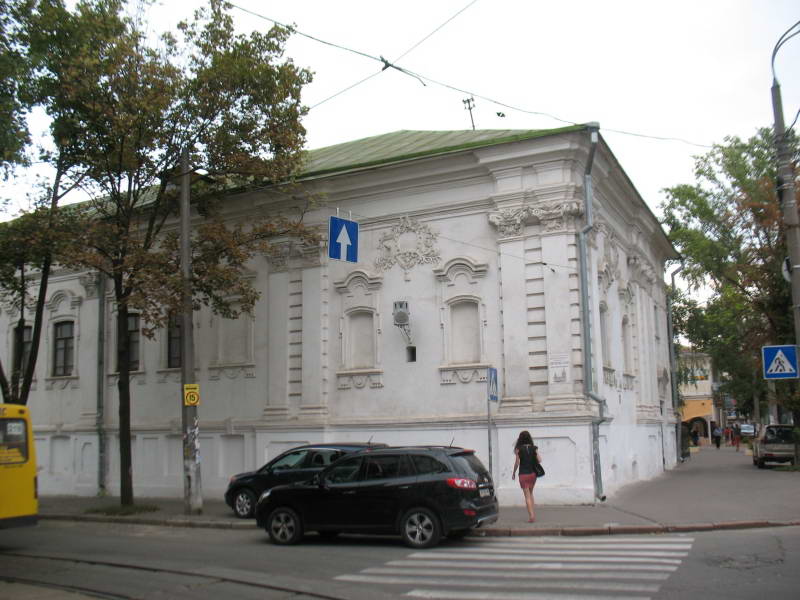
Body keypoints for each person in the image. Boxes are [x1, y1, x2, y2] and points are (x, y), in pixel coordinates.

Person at [511, 430, 542, 523]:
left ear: (520, 439)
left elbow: (517, 463)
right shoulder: (534, 448)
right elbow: (539, 460)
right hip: (533, 474)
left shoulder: (518, 449)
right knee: (531, 493)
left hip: (523, 474)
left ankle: (531, 516)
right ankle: (533, 514)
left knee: (527, 496)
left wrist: (513, 473)